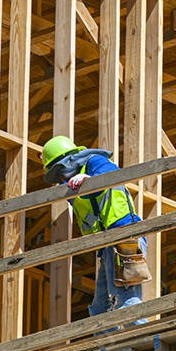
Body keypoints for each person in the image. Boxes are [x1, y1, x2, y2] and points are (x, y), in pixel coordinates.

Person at [42, 135, 149, 324]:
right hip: (106, 246)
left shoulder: (95, 162)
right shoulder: (69, 185)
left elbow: (111, 174)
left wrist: (89, 179)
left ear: (71, 160)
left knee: (128, 302)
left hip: (124, 237)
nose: (61, 178)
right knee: (100, 310)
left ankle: (146, 346)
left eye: (61, 171)